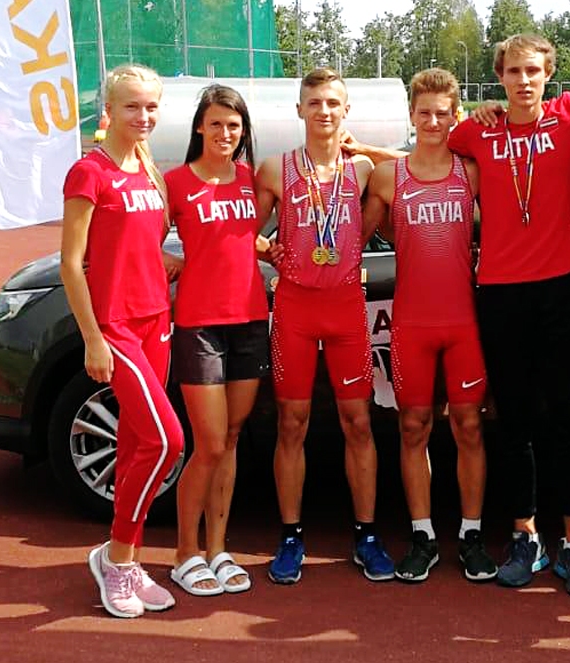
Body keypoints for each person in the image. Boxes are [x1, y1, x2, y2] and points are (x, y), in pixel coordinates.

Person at [448, 33, 570, 597]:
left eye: (533, 70)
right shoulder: (477, 130)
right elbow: (424, 152)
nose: (523, 80)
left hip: (560, 286)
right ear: (499, 77)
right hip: (499, 290)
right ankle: (525, 536)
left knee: (566, 417)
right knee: (514, 420)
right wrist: (356, 145)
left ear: (548, 74)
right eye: (513, 71)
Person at [255, 67, 395, 584]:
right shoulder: (276, 168)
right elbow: (241, 231)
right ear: (299, 110)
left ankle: (367, 535)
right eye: (314, 103)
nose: (324, 111)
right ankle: (291, 536)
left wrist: (370, 148)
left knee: (358, 422)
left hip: (345, 308)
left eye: (333, 103)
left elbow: (418, 163)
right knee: (292, 423)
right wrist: (265, 250)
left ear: (346, 110)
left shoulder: (363, 170)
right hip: (295, 308)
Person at [360, 68, 497, 583]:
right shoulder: (388, 177)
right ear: (411, 116)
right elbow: (350, 239)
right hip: (412, 324)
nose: (433, 122)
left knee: (469, 427)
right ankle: (422, 535)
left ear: (456, 114)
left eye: (443, 113)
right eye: (424, 113)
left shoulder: (472, 173)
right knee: (412, 427)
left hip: (463, 323)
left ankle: (471, 534)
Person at [61, 64, 184, 618]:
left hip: (157, 320)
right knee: (167, 442)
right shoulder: (90, 172)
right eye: (132, 106)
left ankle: (125, 561)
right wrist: (93, 338)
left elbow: (142, 247)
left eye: (151, 106)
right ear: (108, 109)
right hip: (115, 327)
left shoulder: (150, 170)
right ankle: (115, 559)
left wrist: (180, 263)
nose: (144, 116)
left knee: (138, 446)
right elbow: (71, 263)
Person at [165, 85, 268, 596]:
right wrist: (166, 259)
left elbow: (245, 237)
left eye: (234, 125)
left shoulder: (251, 178)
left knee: (229, 438)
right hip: (199, 325)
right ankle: (185, 553)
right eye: (216, 124)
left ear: (243, 131)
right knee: (206, 443)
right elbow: (137, 232)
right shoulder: (175, 182)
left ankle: (217, 549)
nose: (225, 133)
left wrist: (264, 247)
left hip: (250, 319)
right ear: (199, 128)